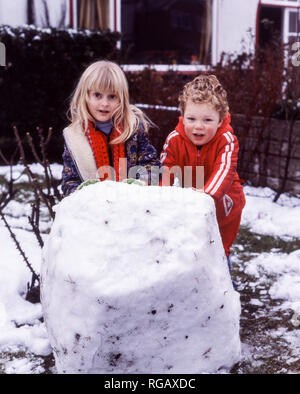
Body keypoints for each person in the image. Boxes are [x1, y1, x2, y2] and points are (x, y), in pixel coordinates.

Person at [160, 74, 246, 260]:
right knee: (191, 251)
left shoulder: (227, 140)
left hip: (224, 208)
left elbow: (223, 172)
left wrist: (204, 196)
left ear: (221, 120)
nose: (198, 127)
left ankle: (224, 285)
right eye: (191, 119)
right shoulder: (174, 140)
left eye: (207, 120)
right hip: (191, 206)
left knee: (218, 254)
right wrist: (157, 197)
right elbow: (164, 172)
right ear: (182, 117)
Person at [61, 60, 160, 196]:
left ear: (121, 99)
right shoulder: (75, 137)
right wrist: (80, 194)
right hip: (94, 209)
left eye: (112, 96)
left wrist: (139, 184)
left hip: (131, 203)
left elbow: (152, 165)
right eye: (97, 95)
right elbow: (69, 180)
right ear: (85, 96)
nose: (105, 103)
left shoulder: (133, 130)